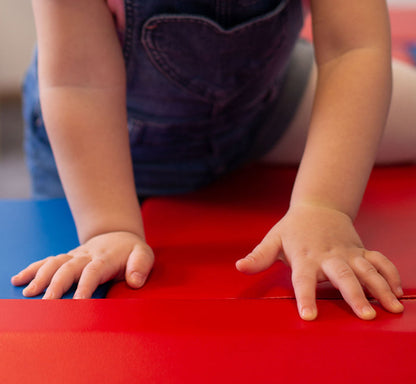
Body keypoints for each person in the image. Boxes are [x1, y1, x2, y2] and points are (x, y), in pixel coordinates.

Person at [11, 0, 416, 320]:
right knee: (76, 298)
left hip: (263, 112)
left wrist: (323, 206)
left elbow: (353, 49)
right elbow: (79, 83)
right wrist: (107, 227)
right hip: (108, 149)